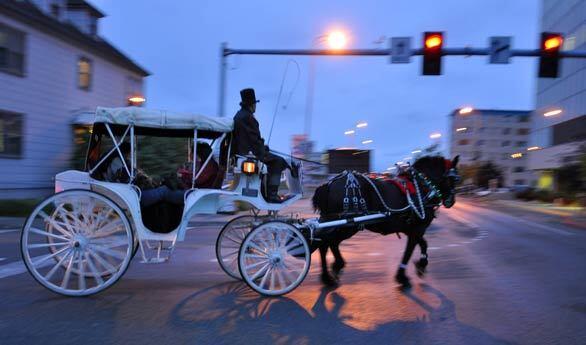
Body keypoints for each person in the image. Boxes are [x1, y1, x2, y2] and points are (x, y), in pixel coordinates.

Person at [233, 88, 289, 203]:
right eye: (254, 104)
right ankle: (272, 195)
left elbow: (250, 138)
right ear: (251, 105)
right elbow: (254, 140)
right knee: (279, 161)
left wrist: (263, 147)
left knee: (275, 160)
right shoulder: (248, 118)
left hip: (243, 152)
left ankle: (265, 192)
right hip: (251, 154)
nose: (255, 107)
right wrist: (263, 149)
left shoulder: (238, 116)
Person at [102, 142, 185, 207]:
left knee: (160, 185)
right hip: (132, 196)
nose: (129, 155)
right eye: (129, 153)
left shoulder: (123, 161)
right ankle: (185, 197)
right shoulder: (117, 162)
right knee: (164, 191)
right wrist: (139, 176)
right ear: (126, 152)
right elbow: (126, 179)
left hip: (132, 193)